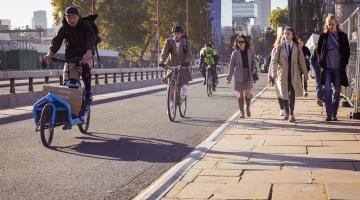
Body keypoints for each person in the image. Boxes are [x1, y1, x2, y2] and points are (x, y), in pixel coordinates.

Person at [44, 6, 96, 103]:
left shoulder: (85, 26)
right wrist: (49, 53)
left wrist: (89, 51)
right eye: (69, 17)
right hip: (71, 57)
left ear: (78, 17)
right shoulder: (64, 29)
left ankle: (88, 91)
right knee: (69, 84)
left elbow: (91, 38)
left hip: (85, 54)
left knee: (85, 67)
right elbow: (57, 41)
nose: (71, 20)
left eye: (73, 17)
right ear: (65, 17)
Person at [270, 27, 308, 122]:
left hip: (294, 73)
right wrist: (273, 72)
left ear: (292, 35)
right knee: (285, 93)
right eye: (285, 33)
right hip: (283, 73)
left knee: (292, 93)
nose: (286, 35)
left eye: (288, 33)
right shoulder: (280, 46)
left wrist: (305, 74)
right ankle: (287, 113)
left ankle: (291, 114)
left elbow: (302, 61)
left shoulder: (297, 46)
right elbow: (274, 60)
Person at [317, 15, 350, 121]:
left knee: (336, 93)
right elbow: (319, 51)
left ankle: (334, 113)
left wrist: (344, 63)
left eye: (332, 24)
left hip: (338, 69)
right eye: (329, 24)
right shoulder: (323, 36)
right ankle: (329, 114)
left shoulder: (342, 36)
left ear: (336, 23)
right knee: (327, 91)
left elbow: (347, 52)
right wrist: (321, 62)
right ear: (326, 25)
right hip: (327, 69)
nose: (331, 26)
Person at [159, 25, 193, 98]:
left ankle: (184, 88)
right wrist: (161, 61)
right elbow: (164, 53)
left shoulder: (186, 42)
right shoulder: (169, 42)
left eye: (178, 33)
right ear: (173, 34)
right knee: (170, 83)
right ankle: (171, 102)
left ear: (181, 34)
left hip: (183, 63)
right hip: (171, 63)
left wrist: (187, 62)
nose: (176, 35)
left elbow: (189, 55)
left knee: (183, 81)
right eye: (175, 33)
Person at [227, 35, 256, 118]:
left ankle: (247, 107)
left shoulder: (250, 51)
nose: (241, 43)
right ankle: (242, 112)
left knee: (248, 93)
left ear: (245, 42)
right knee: (240, 94)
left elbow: (254, 62)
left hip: (248, 74)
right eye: (239, 42)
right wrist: (229, 78)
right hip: (239, 75)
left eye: (242, 42)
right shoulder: (235, 53)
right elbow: (231, 66)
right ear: (237, 43)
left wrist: (254, 68)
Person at [268, 34, 286, 116]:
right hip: (277, 74)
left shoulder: (290, 48)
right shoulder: (275, 49)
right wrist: (270, 75)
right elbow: (272, 63)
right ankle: (282, 108)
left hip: (286, 73)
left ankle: (287, 108)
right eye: (283, 38)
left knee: (286, 91)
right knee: (278, 92)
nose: (284, 39)